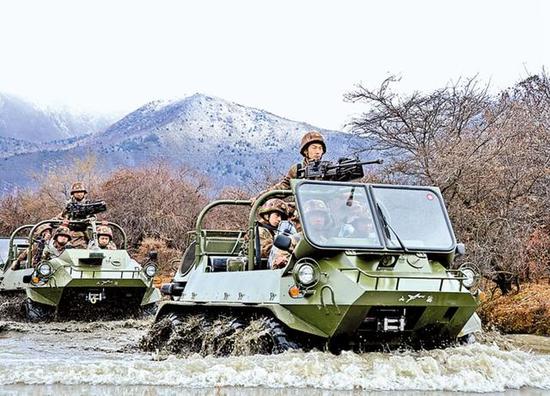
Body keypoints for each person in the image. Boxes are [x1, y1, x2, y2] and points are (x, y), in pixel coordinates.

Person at [58, 182, 90, 248]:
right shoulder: (69, 206)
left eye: (81, 192)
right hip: (70, 231)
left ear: (84, 193)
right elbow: (61, 217)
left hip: (85, 232)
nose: (79, 194)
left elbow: (93, 217)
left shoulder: (88, 205)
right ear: (73, 194)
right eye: (77, 192)